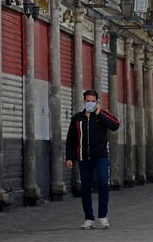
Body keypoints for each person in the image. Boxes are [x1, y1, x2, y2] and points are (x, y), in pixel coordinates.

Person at [65, 90, 120, 230]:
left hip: (101, 157)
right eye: (87, 101)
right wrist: (69, 157)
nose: (90, 103)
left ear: (97, 102)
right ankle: (89, 218)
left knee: (103, 183)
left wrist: (99, 113)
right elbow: (70, 140)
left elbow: (115, 125)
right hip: (84, 158)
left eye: (92, 101)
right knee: (85, 187)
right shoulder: (77, 118)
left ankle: (103, 216)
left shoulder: (102, 115)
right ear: (83, 102)